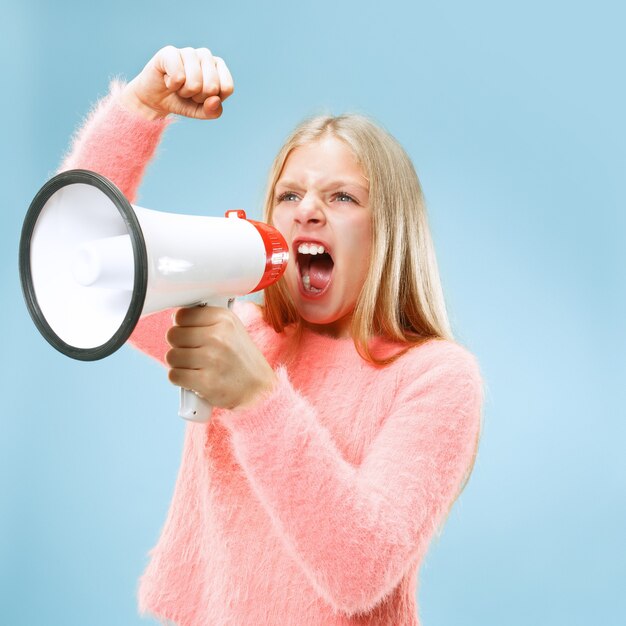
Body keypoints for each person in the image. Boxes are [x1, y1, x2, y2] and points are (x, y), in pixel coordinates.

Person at [60, 45, 483, 626]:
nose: (307, 210)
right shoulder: (241, 331)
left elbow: (360, 572)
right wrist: (139, 107)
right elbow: (83, 258)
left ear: (388, 229)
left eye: (341, 197)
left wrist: (257, 399)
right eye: (290, 195)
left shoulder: (435, 378)